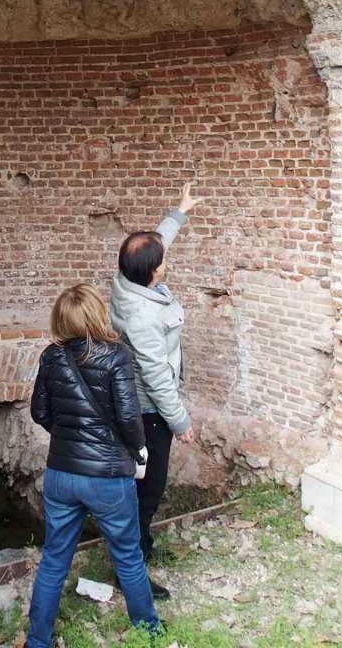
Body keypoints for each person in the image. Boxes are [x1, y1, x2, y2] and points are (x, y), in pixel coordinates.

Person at [26, 284, 162, 648]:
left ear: (61, 319)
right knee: (128, 556)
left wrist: (68, 438)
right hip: (107, 476)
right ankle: (149, 630)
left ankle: (37, 641)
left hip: (61, 473)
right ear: (98, 313)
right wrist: (137, 450)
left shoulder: (51, 356)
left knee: (54, 560)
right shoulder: (116, 355)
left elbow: (39, 412)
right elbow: (129, 418)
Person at [109, 182, 198, 601]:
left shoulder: (128, 278)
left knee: (143, 488)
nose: (165, 263)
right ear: (153, 272)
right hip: (148, 413)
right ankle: (131, 570)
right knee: (147, 490)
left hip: (144, 406)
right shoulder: (142, 316)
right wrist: (179, 421)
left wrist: (179, 212)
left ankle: (139, 547)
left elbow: (152, 246)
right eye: (161, 262)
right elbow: (156, 375)